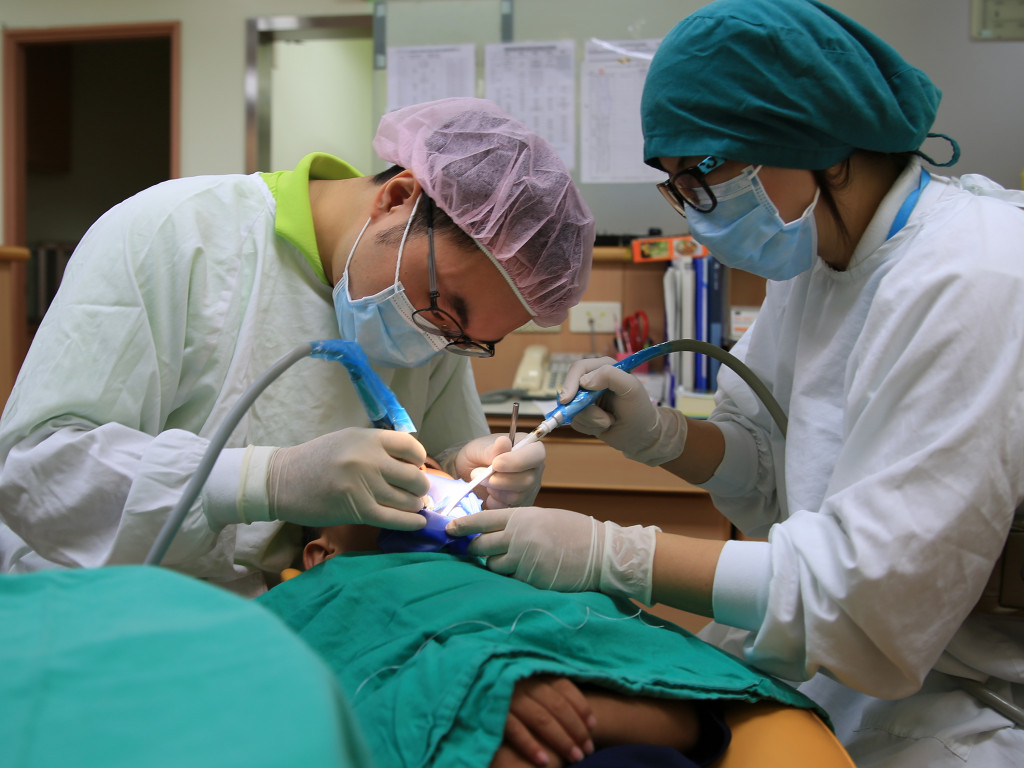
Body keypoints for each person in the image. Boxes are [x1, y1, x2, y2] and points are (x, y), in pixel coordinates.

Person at [446, 1, 1024, 765]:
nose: (695, 207)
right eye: (675, 181)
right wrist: (660, 436)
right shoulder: (817, 258)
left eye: (707, 171)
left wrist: (607, 554)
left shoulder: (975, 276)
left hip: (967, 691)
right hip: (837, 659)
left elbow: (866, 593)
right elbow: (773, 466)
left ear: (816, 138)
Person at [0, 97, 594, 596]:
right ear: (397, 198)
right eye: (443, 308)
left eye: (467, 340)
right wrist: (265, 479)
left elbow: (437, 469)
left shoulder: (435, 323)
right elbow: (38, 472)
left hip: (296, 626)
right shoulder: (176, 232)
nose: (432, 337)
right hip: (100, 612)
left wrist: (473, 480)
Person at [260, 513, 824, 768]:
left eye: (429, 468)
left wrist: (520, 687)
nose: (419, 480)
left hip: (607, 737)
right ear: (320, 554)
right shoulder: (322, 597)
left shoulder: (522, 580)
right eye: (385, 480)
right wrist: (471, 695)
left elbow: (695, 716)